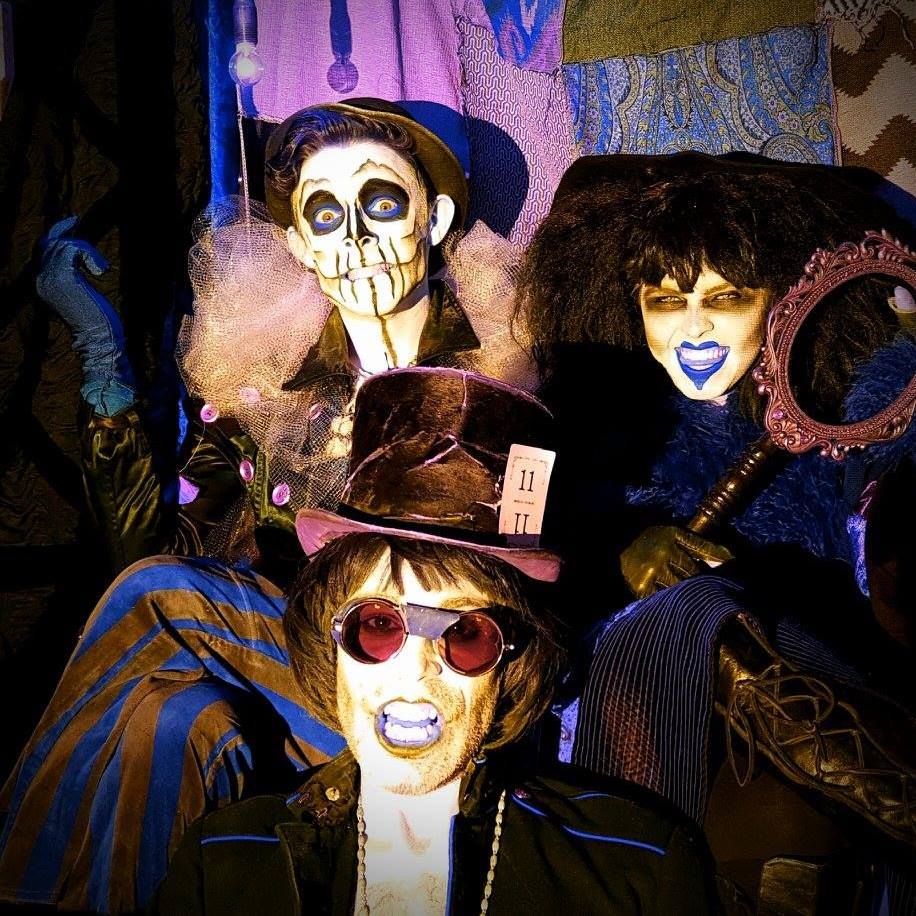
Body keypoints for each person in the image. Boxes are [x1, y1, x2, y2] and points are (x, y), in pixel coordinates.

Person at [0, 101, 525, 914]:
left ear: (436, 219)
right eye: (326, 214)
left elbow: (159, 592)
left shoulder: (497, 375)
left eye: (382, 202)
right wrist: (100, 357)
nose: (355, 238)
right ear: (301, 246)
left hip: (428, 684)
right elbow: (158, 550)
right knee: (172, 720)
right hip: (294, 689)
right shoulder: (269, 392)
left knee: (157, 593)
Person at [150, 365, 715, 915]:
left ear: (511, 662)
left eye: (466, 633)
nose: (416, 668)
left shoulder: (637, 871)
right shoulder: (222, 862)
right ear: (331, 643)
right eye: (378, 624)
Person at [518, 153, 916, 912]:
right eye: (666, 300)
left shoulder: (840, 427)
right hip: (637, 725)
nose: (694, 326)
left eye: (727, 297)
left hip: (813, 710)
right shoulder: (591, 444)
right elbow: (536, 566)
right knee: (688, 609)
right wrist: (621, 548)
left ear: (781, 301)